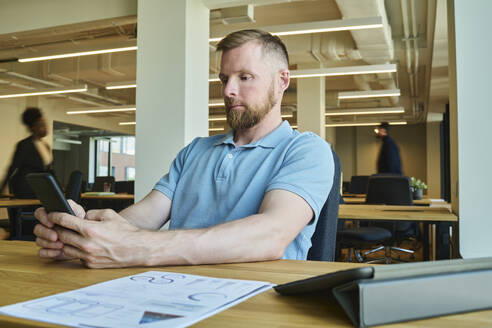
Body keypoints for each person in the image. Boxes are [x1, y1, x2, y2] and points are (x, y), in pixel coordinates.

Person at [33, 29, 334, 268]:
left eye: (245, 77)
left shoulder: (306, 151)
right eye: (224, 79)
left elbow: (269, 236)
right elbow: (144, 217)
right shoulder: (196, 151)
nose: (229, 91)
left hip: (257, 299)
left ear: (282, 81)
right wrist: (84, 231)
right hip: (173, 288)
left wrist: (138, 247)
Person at [0, 107, 55, 198]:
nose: (46, 127)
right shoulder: (24, 145)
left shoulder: (46, 146)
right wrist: (2, 188)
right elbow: (13, 167)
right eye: (42, 125)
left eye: (45, 124)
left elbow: (50, 170)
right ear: (33, 127)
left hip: (42, 189)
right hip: (26, 189)